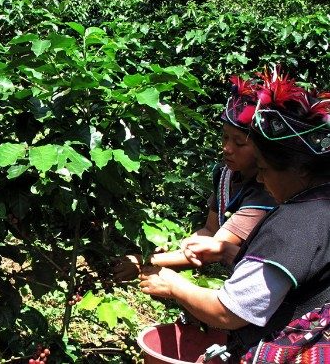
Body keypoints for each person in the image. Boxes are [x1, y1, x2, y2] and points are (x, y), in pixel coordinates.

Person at [140, 67, 330, 362]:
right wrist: (226, 251)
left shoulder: (294, 222)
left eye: (265, 170)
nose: (262, 180)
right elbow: (301, 268)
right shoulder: (322, 204)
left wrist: (173, 285)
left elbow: (229, 312)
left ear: (302, 169)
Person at [113, 76, 275, 280]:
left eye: (239, 143)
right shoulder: (226, 174)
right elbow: (210, 230)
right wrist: (175, 247)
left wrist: (143, 262)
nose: (227, 148)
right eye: (225, 137)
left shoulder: (265, 193)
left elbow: (214, 249)